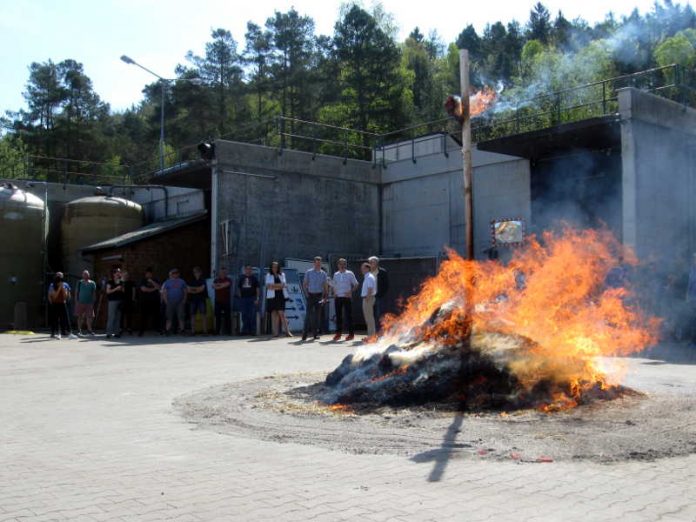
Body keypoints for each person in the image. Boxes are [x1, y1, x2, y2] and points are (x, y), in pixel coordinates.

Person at [302, 256, 328, 341]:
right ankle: (304, 335)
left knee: (317, 316)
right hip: (310, 295)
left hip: (319, 296)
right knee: (308, 316)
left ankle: (315, 334)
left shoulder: (323, 274)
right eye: (316, 263)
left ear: (321, 263)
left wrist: (325, 297)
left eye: (319, 263)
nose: (318, 264)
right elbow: (305, 284)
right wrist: (306, 294)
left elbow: (325, 286)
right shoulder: (308, 272)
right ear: (314, 263)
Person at [332, 258, 358, 341]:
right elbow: (334, 285)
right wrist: (334, 293)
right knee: (338, 316)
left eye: (344, 264)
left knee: (348, 316)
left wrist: (350, 291)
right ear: (338, 265)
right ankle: (338, 334)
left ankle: (351, 334)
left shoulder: (350, 273)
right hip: (338, 297)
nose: (342, 266)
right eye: (341, 264)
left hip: (347, 297)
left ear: (346, 265)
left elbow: (356, 284)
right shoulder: (335, 274)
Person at [265, 261, 292, 337]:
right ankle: (275, 333)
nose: (275, 268)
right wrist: (279, 286)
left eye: (276, 267)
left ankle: (287, 331)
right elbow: (268, 286)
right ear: (271, 267)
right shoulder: (268, 275)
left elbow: (284, 285)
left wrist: (273, 286)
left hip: (281, 296)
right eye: (273, 267)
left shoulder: (282, 274)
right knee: (274, 314)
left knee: (282, 314)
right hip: (272, 297)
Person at [162, 268, 187, 335]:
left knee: (181, 317)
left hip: (180, 302)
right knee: (169, 317)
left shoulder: (182, 281)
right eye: (173, 273)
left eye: (176, 273)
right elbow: (164, 292)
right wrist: (166, 301)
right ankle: (167, 330)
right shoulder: (167, 282)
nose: (175, 274)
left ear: (178, 274)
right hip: (170, 302)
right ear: (172, 274)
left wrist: (184, 300)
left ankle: (182, 330)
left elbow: (185, 291)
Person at [48, 272, 72, 339]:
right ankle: (53, 333)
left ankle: (65, 332)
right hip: (55, 304)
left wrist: (63, 288)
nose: (60, 279)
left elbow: (66, 296)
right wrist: (59, 288)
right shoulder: (52, 285)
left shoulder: (65, 285)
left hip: (63, 303)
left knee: (65, 318)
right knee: (54, 319)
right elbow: (52, 296)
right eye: (58, 277)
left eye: (61, 277)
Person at [138, 267, 161, 336]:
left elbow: (159, 287)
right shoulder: (143, 280)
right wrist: (154, 289)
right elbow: (144, 289)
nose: (149, 275)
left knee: (156, 316)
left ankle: (157, 329)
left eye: (150, 273)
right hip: (144, 301)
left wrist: (152, 282)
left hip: (155, 301)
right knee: (143, 316)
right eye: (147, 273)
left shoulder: (155, 280)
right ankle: (141, 331)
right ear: (145, 274)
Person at [237, 265, 260, 335]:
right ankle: (245, 330)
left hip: (252, 298)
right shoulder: (241, 278)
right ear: (245, 270)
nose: (248, 270)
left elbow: (257, 289)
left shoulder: (254, 278)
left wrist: (257, 298)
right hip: (243, 299)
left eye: (250, 269)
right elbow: (239, 288)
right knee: (244, 315)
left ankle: (253, 330)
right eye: (247, 269)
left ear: (251, 270)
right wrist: (240, 296)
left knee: (252, 315)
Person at [369, 256, 389, 331]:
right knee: (370, 315)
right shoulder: (368, 272)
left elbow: (386, 285)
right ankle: (372, 333)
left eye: (372, 262)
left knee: (379, 315)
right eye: (369, 262)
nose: (370, 264)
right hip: (369, 297)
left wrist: (381, 295)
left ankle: (379, 332)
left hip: (379, 297)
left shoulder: (382, 272)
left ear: (377, 263)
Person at [187, 266, 209, 335]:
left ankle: (205, 331)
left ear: (200, 273)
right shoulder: (191, 280)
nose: (195, 273)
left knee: (203, 315)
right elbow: (188, 289)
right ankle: (193, 331)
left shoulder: (203, 280)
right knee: (192, 315)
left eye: (197, 272)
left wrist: (193, 289)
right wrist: (197, 289)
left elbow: (202, 289)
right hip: (193, 300)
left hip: (201, 299)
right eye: (194, 272)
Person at [74, 270, 97, 336]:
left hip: (89, 302)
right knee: (80, 317)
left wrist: (93, 301)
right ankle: (79, 330)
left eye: (86, 274)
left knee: (89, 317)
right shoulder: (79, 282)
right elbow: (76, 292)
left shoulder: (92, 283)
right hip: (80, 302)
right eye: (84, 274)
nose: (85, 275)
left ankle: (89, 330)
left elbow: (94, 293)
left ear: (89, 275)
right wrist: (76, 301)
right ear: (82, 275)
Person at [105, 268, 125, 338]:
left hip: (120, 301)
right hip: (112, 301)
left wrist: (122, 288)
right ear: (114, 274)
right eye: (117, 272)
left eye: (119, 272)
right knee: (111, 317)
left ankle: (117, 333)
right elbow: (107, 291)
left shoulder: (121, 282)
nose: (119, 273)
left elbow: (123, 291)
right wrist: (116, 289)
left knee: (118, 317)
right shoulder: (110, 282)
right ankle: (109, 333)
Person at [212, 266, 233, 335]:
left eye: (224, 272)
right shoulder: (216, 280)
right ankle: (217, 331)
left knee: (228, 317)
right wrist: (221, 285)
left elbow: (226, 284)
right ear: (219, 273)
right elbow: (214, 287)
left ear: (226, 272)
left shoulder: (229, 279)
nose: (223, 273)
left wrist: (219, 285)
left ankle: (229, 332)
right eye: (222, 272)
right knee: (218, 317)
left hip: (226, 301)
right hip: (218, 301)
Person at [361, 262, 377, 339]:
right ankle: (370, 335)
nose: (361, 269)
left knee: (369, 317)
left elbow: (370, 288)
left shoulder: (369, 277)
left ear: (367, 268)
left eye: (363, 268)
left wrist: (367, 298)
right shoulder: (367, 277)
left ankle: (372, 336)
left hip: (368, 298)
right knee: (368, 317)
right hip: (367, 298)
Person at [120, 270, 136, 335]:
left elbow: (134, 291)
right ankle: (121, 328)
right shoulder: (121, 282)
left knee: (129, 315)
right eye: (124, 275)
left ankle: (129, 328)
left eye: (127, 275)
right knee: (121, 315)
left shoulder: (132, 282)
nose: (126, 276)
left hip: (129, 300)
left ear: (128, 276)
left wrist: (133, 299)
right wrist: (122, 282)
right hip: (122, 300)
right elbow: (121, 291)